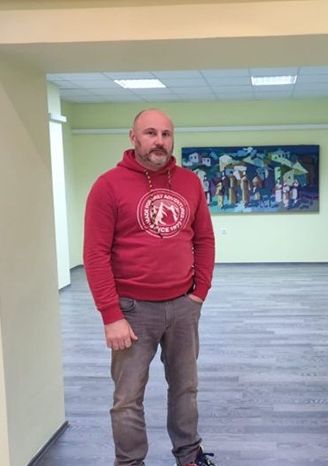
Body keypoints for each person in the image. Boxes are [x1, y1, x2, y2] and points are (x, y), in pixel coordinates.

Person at [83, 108, 217, 466]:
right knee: (127, 398)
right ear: (133, 137)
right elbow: (95, 254)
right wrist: (111, 315)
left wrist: (199, 292)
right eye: (150, 133)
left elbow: (204, 239)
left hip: (183, 305)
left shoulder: (189, 182)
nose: (159, 141)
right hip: (132, 311)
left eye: (166, 134)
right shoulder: (108, 185)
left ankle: (189, 456)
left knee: (185, 389)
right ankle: (130, 463)